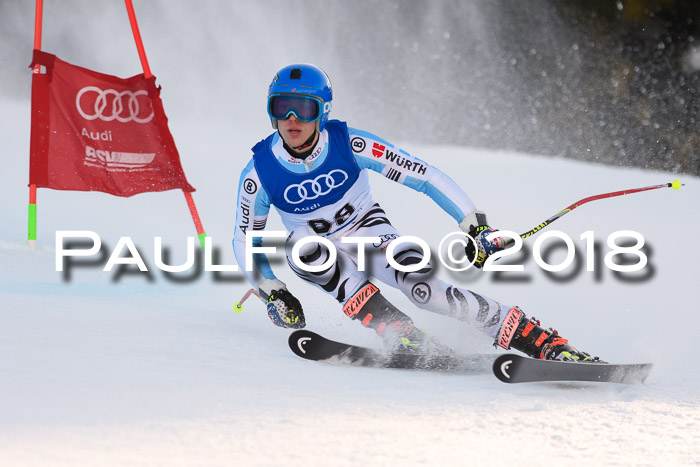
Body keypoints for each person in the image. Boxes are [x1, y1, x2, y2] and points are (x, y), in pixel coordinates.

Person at [233, 63, 596, 361]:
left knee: (427, 291)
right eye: (282, 107)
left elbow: (424, 176)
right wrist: (271, 289)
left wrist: (474, 226)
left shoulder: (350, 143)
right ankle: (398, 330)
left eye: (304, 108)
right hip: (312, 245)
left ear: (323, 112)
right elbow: (244, 238)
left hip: (366, 230)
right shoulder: (260, 172)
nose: (292, 119)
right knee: (310, 253)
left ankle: (538, 339)